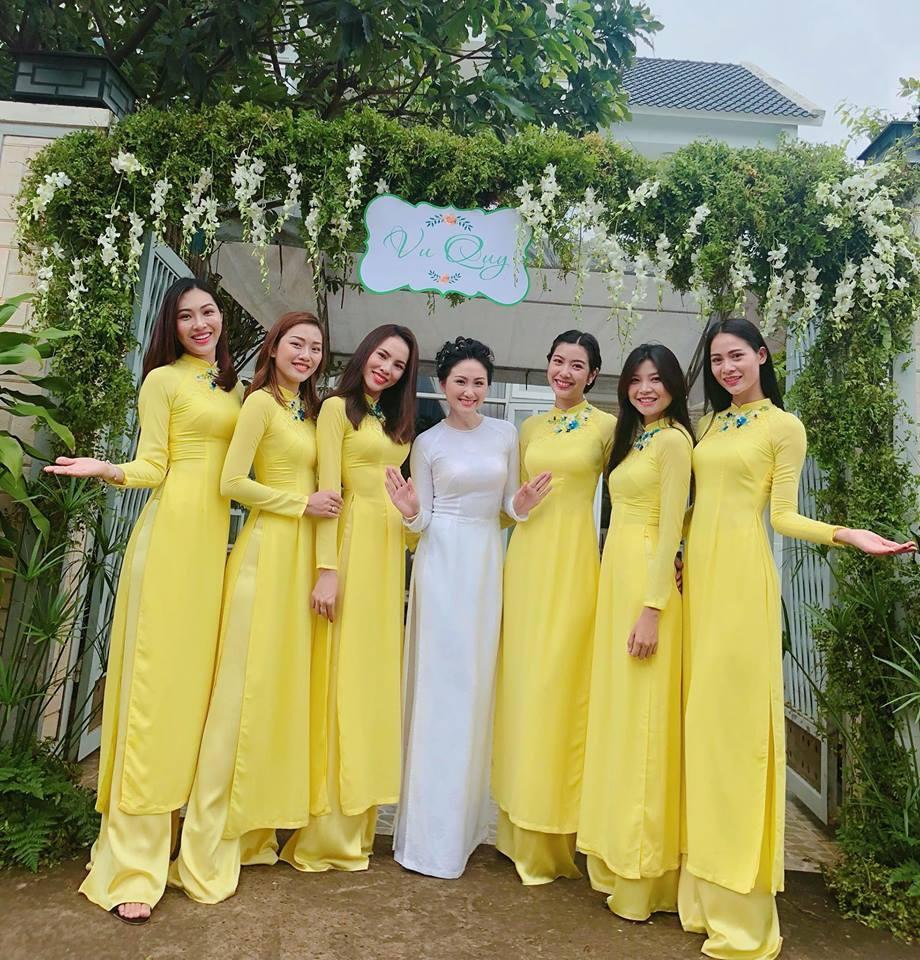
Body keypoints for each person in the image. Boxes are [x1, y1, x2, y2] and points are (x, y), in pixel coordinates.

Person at [680, 317, 915, 960]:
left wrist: (847, 534)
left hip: (740, 581)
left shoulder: (784, 426)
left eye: (737, 356)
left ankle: (741, 907)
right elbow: (696, 504)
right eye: (717, 360)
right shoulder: (707, 425)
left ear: (761, 355)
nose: (727, 368)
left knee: (734, 734)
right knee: (701, 730)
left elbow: (782, 515)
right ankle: (700, 891)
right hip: (696, 580)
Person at [45, 278, 241, 923]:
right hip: (170, 544)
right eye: (186, 316)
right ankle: (133, 862)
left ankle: (186, 837)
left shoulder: (237, 387)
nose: (200, 323)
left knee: (194, 695)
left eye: (208, 311)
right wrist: (107, 469)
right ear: (171, 326)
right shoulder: (162, 381)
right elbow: (154, 464)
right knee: (154, 696)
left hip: (214, 554)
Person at [169, 311, 343, 902]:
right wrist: (299, 503)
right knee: (239, 698)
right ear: (274, 347)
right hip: (265, 555)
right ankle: (206, 845)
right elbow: (231, 481)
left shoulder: (308, 411)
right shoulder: (260, 404)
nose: (306, 355)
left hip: (299, 563)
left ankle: (251, 832)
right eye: (296, 344)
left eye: (315, 347)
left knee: (275, 694)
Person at [385, 337, 551, 879]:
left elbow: (508, 505)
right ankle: (427, 839)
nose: (470, 391)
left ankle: (463, 828)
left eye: (479, 382)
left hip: (485, 561)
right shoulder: (427, 442)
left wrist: (522, 505)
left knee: (475, 688)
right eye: (461, 381)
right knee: (440, 688)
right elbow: (423, 519)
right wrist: (408, 510)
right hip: (440, 564)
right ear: (442, 385)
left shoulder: (505, 435)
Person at [280, 324, 419, 873]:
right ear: (365, 354)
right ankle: (326, 829)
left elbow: (401, 494)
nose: (387, 368)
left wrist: (411, 521)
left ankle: (359, 821)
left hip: (387, 551)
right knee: (341, 677)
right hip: (351, 542)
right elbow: (327, 492)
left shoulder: (396, 421)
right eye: (382, 356)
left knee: (371, 678)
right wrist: (327, 569)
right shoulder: (337, 410)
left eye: (399, 365)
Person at [492, 329, 617, 885]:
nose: (565, 372)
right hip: (525, 563)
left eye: (577, 365)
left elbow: (632, 491)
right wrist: (516, 505)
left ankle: (553, 833)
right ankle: (516, 830)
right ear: (547, 364)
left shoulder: (608, 428)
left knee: (559, 689)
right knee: (521, 689)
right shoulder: (529, 428)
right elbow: (509, 507)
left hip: (574, 566)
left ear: (593, 375)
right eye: (558, 361)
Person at [577, 343, 693, 920]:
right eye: (636, 380)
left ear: (674, 385)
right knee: (622, 720)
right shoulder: (635, 438)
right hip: (617, 576)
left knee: (646, 723)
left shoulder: (673, 441)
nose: (645, 388)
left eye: (656, 379)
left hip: (647, 584)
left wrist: (653, 607)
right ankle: (615, 854)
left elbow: (672, 526)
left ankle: (644, 874)